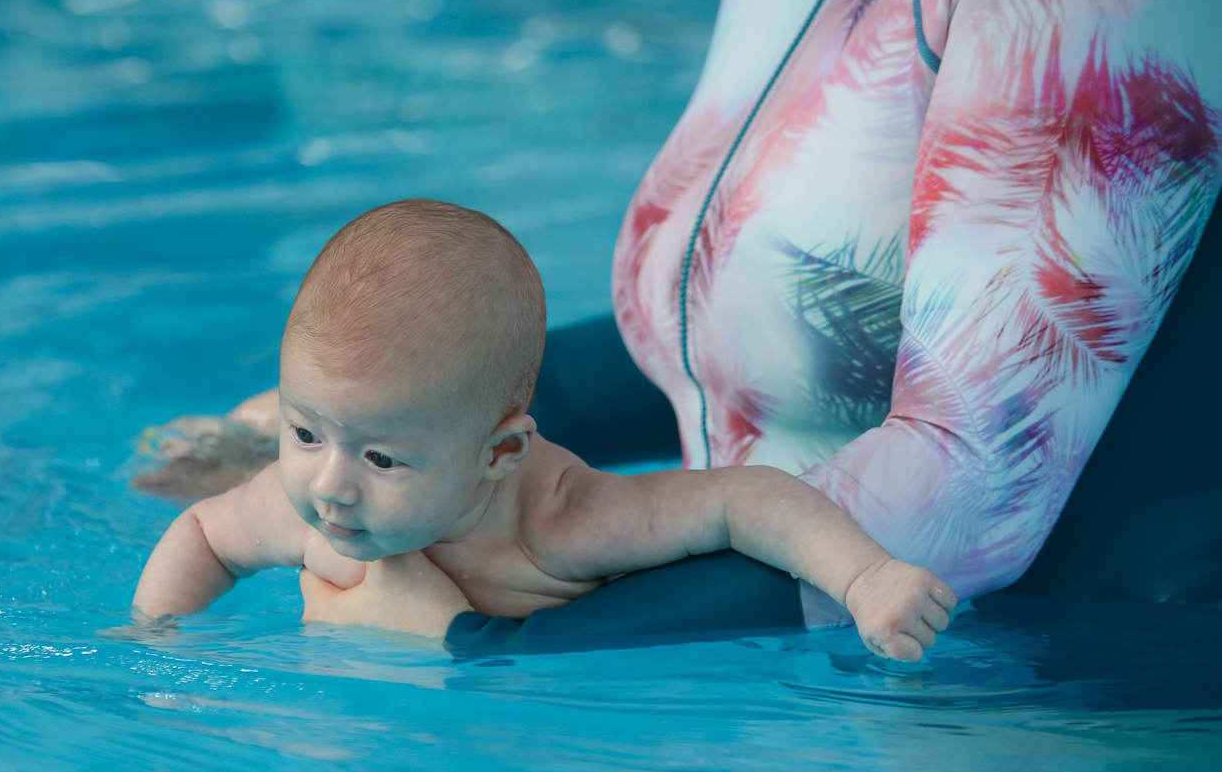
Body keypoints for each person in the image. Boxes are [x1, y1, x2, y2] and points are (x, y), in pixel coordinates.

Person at [136, 0, 1222, 644]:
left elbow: (968, 491)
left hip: (1039, 691)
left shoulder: (1087, 17)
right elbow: (731, 332)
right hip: (751, 667)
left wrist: (492, 644)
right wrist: (344, 419)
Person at [131, 200, 957, 661]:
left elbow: (742, 500)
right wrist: (153, 638)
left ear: (502, 454)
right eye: (307, 434)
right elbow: (205, 532)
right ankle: (255, 424)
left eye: (381, 457)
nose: (330, 485)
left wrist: (867, 579)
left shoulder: (558, 523)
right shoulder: (310, 508)